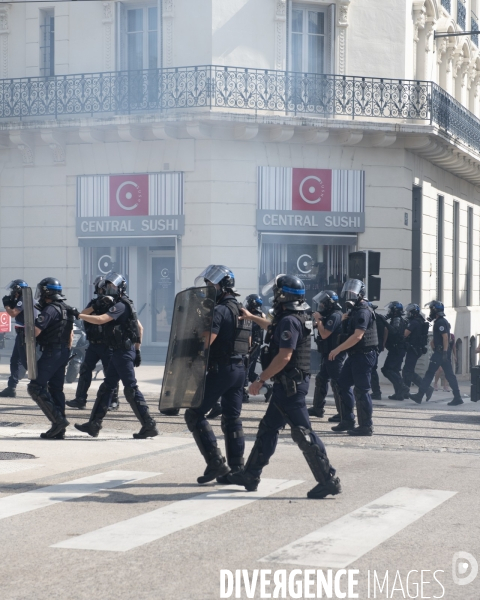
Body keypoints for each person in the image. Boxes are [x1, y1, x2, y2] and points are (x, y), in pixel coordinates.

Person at [229, 274, 341, 500]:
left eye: (277, 293)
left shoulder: (289, 320)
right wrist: (252, 317)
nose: (273, 297)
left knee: (303, 433)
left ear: (284, 296)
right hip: (288, 385)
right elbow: (273, 327)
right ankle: (250, 475)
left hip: (290, 386)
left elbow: (284, 356)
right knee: (268, 429)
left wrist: (260, 379)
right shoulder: (295, 316)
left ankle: (328, 480)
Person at [184, 265, 251, 484]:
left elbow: (206, 341)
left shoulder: (220, 310)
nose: (207, 288)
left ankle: (215, 462)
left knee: (194, 414)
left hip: (222, 369)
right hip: (239, 369)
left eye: (211, 284)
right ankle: (236, 469)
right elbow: (247, 343)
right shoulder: (241, 310)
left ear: (223, 285)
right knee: (232, 419)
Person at [74, 272, 158, 438]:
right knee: (107, 387)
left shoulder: (121, 306)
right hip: (119, 351)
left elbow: (100, 320)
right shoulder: (119, 303)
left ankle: (149, 424)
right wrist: (138, 350)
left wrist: (77, 315)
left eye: (113, 286)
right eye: (108, 286)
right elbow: (138, 328)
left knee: (131, 389)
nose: (109, 288)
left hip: (123, 352)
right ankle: (94, 424)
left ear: (120, 287)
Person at [27, 278, 77, 439]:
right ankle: (59, 429)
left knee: (35, 387)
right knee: (56, 389)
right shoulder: (65, 308)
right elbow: (71, 334)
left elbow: (36, 331)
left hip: (51, 352)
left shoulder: (50, 309)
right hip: (63, 352)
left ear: (46, 292)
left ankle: (58, 422)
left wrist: (25, 336)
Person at [329, 279, 378, 436]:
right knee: (341, 384)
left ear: (361, 294)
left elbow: (357, 336)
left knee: (361, 391)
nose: (349, 295)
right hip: (355, 355)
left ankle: (366, 426)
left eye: (353, 292)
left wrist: (337, 349)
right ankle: (347, 420)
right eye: (348, 292)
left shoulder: (363, 311)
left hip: (364, 355)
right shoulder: (354, 311)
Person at [66, 276, 119, 411]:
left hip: (108, 344)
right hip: (94, 344)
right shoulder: (94, 302)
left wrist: (108, 303)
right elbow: (82, 314)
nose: (103, 290)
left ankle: (114, 400)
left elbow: (107, 319)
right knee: (85, 370)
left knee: (110, 372)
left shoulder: (116, 303)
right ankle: (80, 399)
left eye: (105, 288)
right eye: (101, 288)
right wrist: (96, 305)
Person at [410, 301, 463, 406]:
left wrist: (443, 353)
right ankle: (457, 397)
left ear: (435, 311)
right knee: (449, 375)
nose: (430, 312)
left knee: (429, 374)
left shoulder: (440, 323)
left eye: (431, 310)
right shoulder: (440, 322)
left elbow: (445, 337)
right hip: (441, 352)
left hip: (441, 353)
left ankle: (419, 395)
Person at [308, 290, 345, 421]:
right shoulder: (329, 315)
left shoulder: (335, 315)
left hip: (334, 354)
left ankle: (343, 414)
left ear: (329, 303)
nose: (321, 305)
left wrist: (318, 320)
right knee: (321, 378)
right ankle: (317, 408)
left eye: (323, 303)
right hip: (327, 353)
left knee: (337, 383)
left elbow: (325, 334)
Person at [0, 280, 29, 398]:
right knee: (15, 360)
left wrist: (6, 305)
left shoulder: (24, 299)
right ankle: (11, 387)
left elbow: (13, 313)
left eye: (14, 290)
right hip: (21, 334)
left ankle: (42, 385)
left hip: (26, 334)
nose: (13, 293)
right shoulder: (21, 300)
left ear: (18, 290)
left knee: (26, 362)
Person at [402, 303, 432, 398]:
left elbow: (405, 334)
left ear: (413, 313)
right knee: (406, 370)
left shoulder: (414, 322)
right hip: (416, 349)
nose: (408, 314)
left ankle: (426, 388)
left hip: (413, 349)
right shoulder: (419, 321)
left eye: (409, 312)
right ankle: (405, 392)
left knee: (408, 372)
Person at [381, 301, 409, 400]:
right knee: (395, 370)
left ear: (395, 311)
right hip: (397, 348)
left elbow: (394, 331)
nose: (389, 312)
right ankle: (399, 394)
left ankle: (402, 387)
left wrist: (384, 322)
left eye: (390, 310)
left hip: (397, 349)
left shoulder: (397, 319)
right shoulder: (396, 319)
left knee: (387, 369)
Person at [243, 293, 268, 403]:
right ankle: (268, 388)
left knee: (245, 371)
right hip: (256, 347)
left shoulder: (253, 316)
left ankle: (243, 395)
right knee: (251, 373)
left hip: (251, 347)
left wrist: (247, 348)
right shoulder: (261, 315)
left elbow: (249, 332)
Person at [370, 302, 385, 400]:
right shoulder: (379, 317)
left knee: (371, 370)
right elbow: (385, 330)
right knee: (372, 370)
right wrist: (382, 344)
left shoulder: (372, 318)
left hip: (372, 347)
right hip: (376, 346)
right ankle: (376, 392)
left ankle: (376, 392)